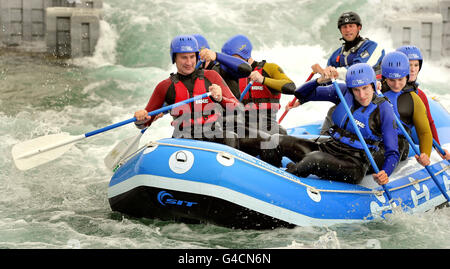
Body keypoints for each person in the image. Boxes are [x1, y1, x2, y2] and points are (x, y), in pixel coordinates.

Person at [278, 63, 399, 185]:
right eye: (356, 90)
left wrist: (385, 172)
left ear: (373, 85)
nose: (361, 95)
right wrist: (320, 80)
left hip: (355, 163)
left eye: (365, 88)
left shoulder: (384, 109)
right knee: (278, 140)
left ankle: (283, 182)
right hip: (330, 147)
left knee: (314, 159)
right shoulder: (343, 92)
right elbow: (300, 93)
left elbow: (393, 152)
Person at [133, 34, 240, 147]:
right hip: (183, 138)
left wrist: (220, 98)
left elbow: (237, 108)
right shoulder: (164, 86)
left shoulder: (212, 76)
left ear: (197, 57)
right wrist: (140, 118)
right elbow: (144, 123)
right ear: (175, 58)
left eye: (192, 57)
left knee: (231, 137)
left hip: (214, 135)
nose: (189, 62)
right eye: (184, 57)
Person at [221, 34, 296, 135]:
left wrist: (262, 79)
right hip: (241, 126)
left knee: (280, 132)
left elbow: (291, 87)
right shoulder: (230, 74)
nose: (230, 63)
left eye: (232, 58)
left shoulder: (269, 68)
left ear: (244, 55)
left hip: (267, 126)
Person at [396, 45, 450, 160]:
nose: (413, 69)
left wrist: (438, 148)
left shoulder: (420, 95)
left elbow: (429, 123)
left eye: (416, 65)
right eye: (409, 65)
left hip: (400, 143)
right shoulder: (382, 84)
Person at [380, 51, 433, 166]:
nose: (397, 85)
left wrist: (425, 155)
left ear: (407, 77)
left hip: (399, 143)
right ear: (384, 78)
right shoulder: (375, 91)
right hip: (375, 138)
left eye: (400, 79)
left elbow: (424, 132)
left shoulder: (414, 99)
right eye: (392, 80)